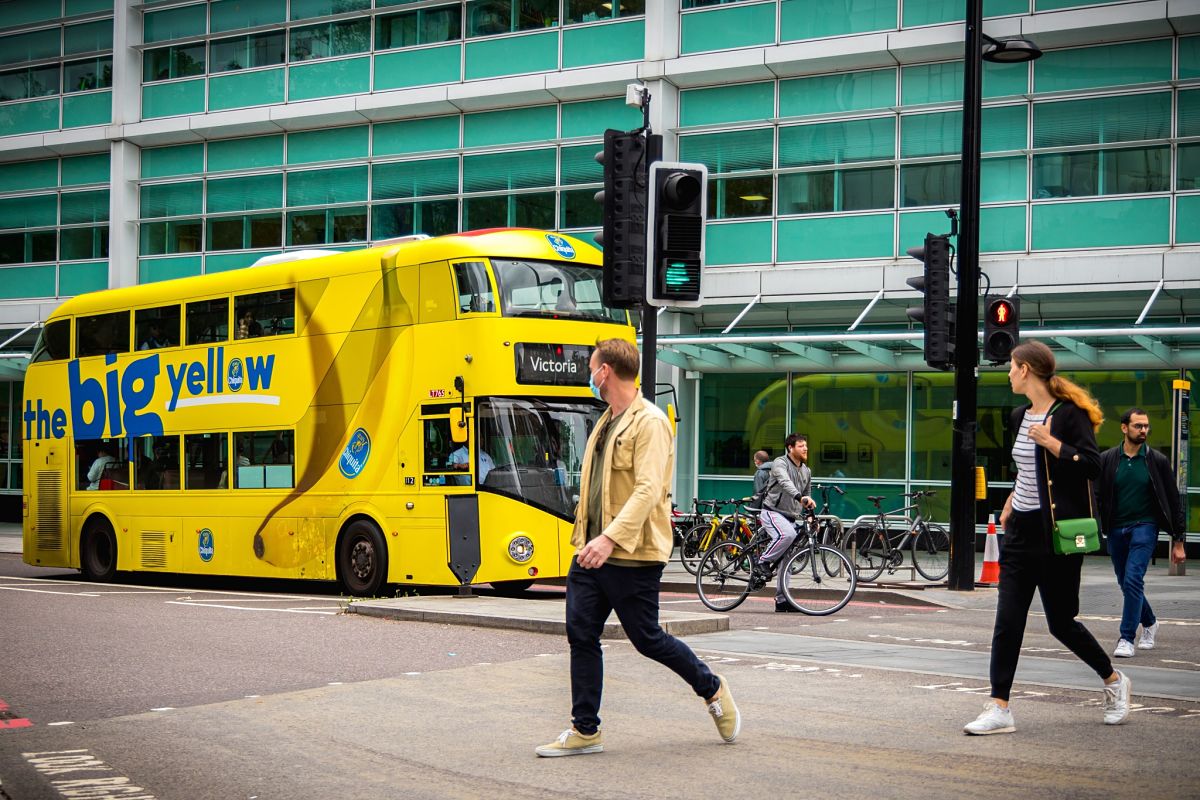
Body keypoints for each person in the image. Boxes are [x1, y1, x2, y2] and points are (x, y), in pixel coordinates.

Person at [535, 338, 738, 757]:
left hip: (631, 552)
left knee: (646, 638)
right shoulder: (606, 420)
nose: (590, 375)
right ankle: (585, 729)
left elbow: (648, 489)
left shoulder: (650, 422)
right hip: (591, 551)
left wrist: (610, 538)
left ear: (605, 371)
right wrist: (589, 538)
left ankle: (711, 687)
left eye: (592, 367)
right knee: (581, 634)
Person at [964, 340, 1130, 735]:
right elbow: (1026, 470)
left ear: (1025, 370)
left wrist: (1053, 443)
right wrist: (1009, 503)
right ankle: (999, 706)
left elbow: (1092, 465)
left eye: (1011, 367)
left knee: (1061, 622)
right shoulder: (1019, 414)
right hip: (1020, 530)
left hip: (1055, 535)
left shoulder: (1069, 415)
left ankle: (1114, 681)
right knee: (1008, 621)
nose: (1007, 373)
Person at [1096, 408, 1187, 659]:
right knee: (1125, 581)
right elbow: (1097, 495)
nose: (1143, 430)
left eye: (1146, 426)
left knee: (1133, 579)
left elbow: (1173, 500)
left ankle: (1126, 637)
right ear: (1124, 428)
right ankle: (1150, 622)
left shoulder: (1156, 461)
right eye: (1138, 426)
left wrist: (1178, 541)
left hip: (1145, 527)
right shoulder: (1108, 459)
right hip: (1116, 528)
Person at [757, 435, 816, 613]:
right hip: (772, 512)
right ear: (790, 448)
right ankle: (763, 561)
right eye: (801, 446)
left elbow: (807, 494)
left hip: (790, 516)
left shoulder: (806, 471)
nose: (805, 448)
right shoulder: (780, 463)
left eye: (806, 445)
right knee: (787, 535)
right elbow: (785, 482)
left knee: (787, 560)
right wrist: (799, 497)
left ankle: (782, 601)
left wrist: (811, 515)